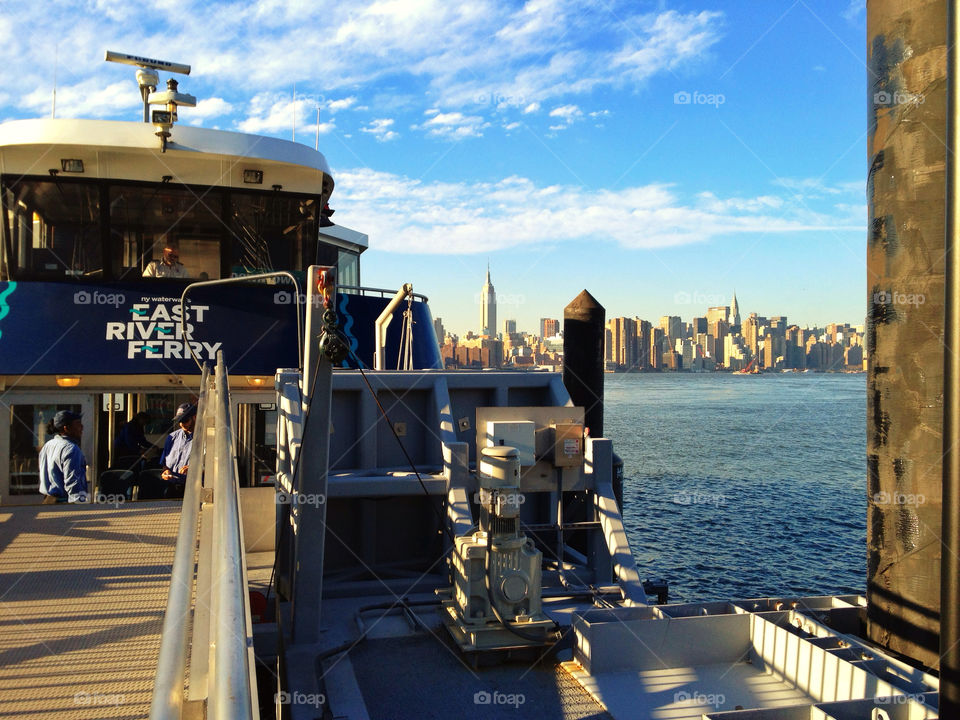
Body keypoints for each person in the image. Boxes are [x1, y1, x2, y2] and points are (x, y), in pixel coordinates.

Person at [38, 410, 88, 503]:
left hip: (47, 501)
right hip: (64, 504)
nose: (82, 427)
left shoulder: (48, 445)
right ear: (66, 428)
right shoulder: (71, 449)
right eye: (77, 424)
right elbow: (73, 483)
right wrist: (81, 505)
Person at [159, 403, 196, 495]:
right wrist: (165, 471)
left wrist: (195, 468)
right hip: (172, 487)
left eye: (185, 420)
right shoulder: (171, 437)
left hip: (194, 489)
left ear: (195, 417)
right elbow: (165, 464)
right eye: (179, 421)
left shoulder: (206, 438)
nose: (182, 424)